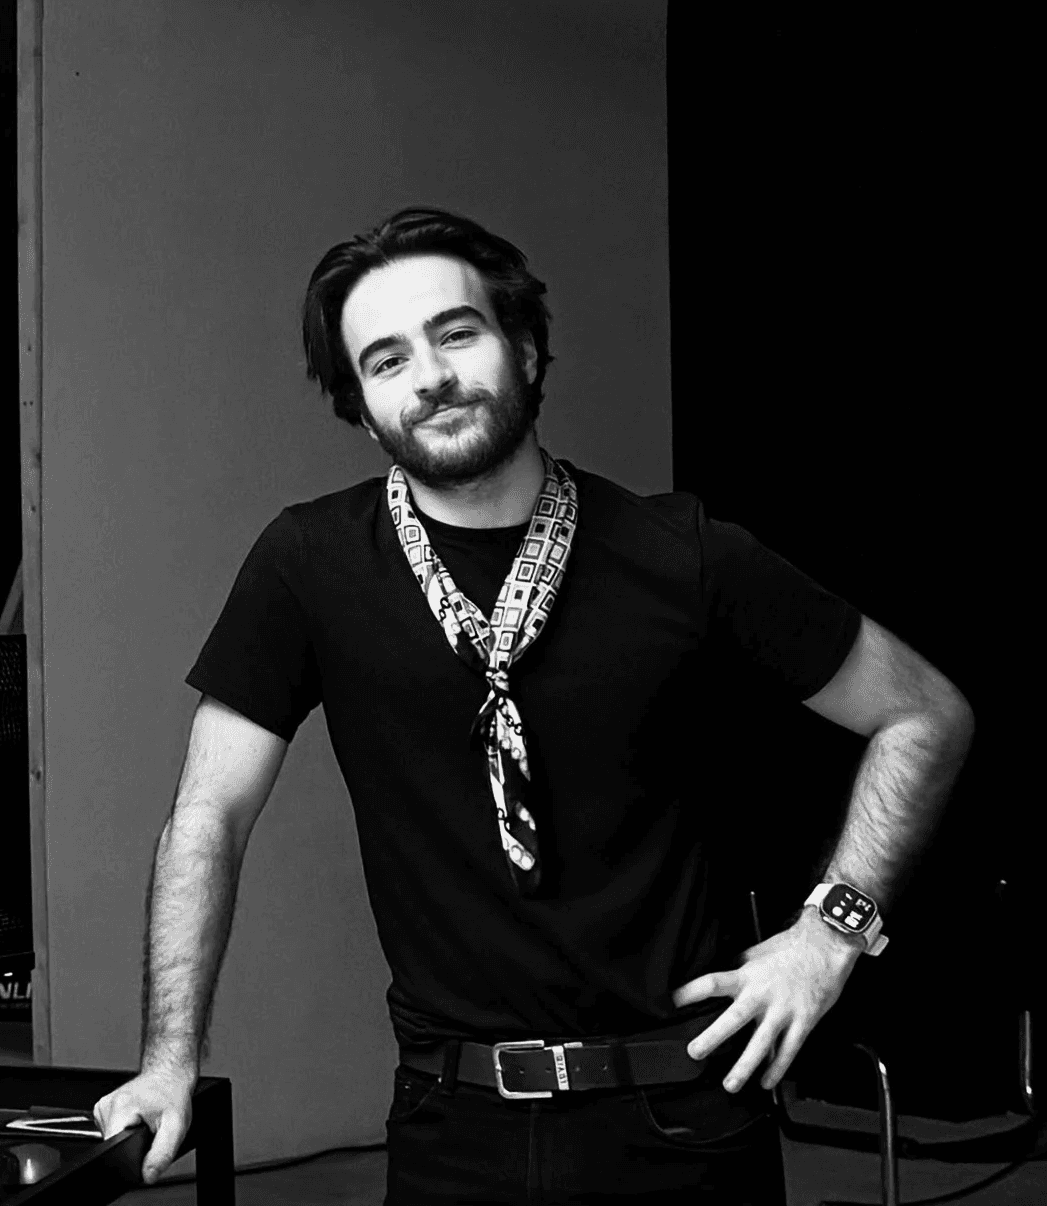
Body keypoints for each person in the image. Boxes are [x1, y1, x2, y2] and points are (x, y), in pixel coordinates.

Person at [92, 208, 975, 1203]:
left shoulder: (681, 553)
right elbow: (207, 814)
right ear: (361, 407)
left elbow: (923, 715)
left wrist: (832, 933)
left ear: (521, 346)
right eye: (386, 360)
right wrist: (168, 1058)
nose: (429, 376)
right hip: (453, 1123)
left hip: (686, 1112)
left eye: (455, 333)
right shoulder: (308, 564)